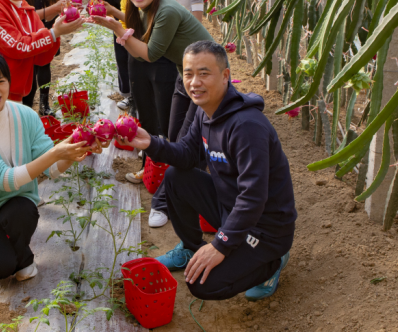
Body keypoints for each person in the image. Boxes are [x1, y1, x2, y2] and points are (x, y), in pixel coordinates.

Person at [116, 41, 295, 301]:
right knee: (176, 176)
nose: (194, 82)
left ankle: (271, 263)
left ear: (225, 76)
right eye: (188, 74)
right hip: (231, 209)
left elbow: (253, 197)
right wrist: (150, 143)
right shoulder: (205, 111)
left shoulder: (247, 127)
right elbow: (187, 156)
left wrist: (220, 245)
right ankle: (190, 247)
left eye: (204, 73)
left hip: (264, 229)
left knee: (203, 284)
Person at [0, 50, 94, 280]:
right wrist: (56, 152)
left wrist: (75, 151)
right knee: (1, 268)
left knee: (24, 210)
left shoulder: (25, 116)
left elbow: (52, 168)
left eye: (1, 81)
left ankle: (22, 257)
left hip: (13, 204)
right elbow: (5, 181)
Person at [91, 0, 213, 228]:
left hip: (207, 79)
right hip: (186, 75)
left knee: (185, 144)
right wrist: (118, 25)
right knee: (174, 138)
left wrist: (116, 28)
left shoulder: (166, 11)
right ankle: (179, 195)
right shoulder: (143, 10)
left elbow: (151, 53)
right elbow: (139, 53)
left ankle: (167, 202)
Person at [17, 0, 89, 115]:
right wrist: (56, 10)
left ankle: (38, 107)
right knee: (25, 77)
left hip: (39, 28)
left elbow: (45, 3)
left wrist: (61, 10)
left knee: (40, 67)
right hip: (20, 36)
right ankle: (28, 112)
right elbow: (19, 15)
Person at [103, 0, 171, 112]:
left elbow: (151, 21)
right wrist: (113, 15)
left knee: (160, 96)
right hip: (138, 42)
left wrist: (115, 20)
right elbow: (131, 21)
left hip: (156, 45)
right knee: (140, 88)